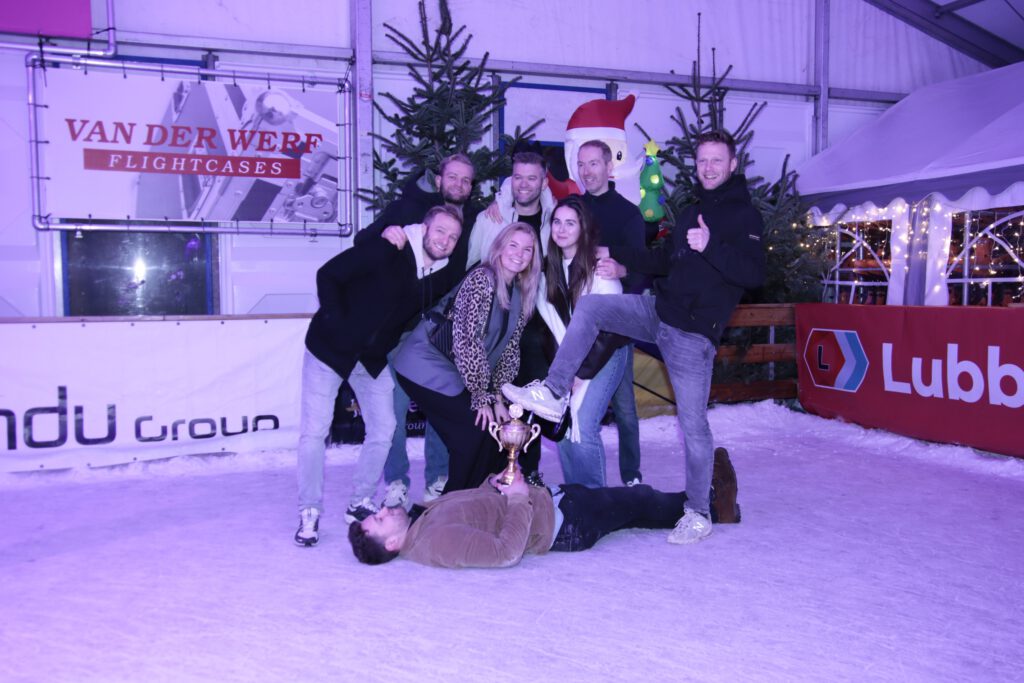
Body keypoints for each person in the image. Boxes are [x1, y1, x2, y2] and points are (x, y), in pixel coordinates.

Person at [502, 130, 765, 545]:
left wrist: (711, 246)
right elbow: (664, 259)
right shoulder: (692, 211)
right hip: (657, 310)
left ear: (732, 165)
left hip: (692, 334)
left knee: (693, 425)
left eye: (717, 160)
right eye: (702, 160)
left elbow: (755, 274)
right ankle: (553, 391)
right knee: (594, 308)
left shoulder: (744, 217)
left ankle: (698, 511)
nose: (708, 168)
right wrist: (617, 258)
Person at [295, 204, 464, 547]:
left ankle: (359, 500)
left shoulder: (440, 275)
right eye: (440, 231)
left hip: (370, 360)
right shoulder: (389, 248)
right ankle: (309, 509)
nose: (445, 240)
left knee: (385, 427)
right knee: (315, 431)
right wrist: (337, 323)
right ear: (424, 228)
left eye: (453, 237)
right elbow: (328, 274)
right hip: (329, 349)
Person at [347, 448, 740, 568]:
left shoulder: (424, 520)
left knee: (639, 510)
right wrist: (518, 498)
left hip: (552, 504)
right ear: (392, 543)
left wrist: (496, 484)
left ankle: (708, 504)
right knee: (640, 500)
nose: (384, 510)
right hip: (563, 523)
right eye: (380, 520)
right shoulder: (436, 542)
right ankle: (711, 502)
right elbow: (504, 553)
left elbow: (480, 508)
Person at [356, 153, 478, 509]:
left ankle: (438, 476)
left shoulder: (474, 221)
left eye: (466, 180)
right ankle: (396, 481)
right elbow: (362, 243)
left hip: (437, 333)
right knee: (393, 411)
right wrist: (386, 234)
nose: (458, 184)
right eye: (452, 177)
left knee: (439, 405)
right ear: (439, 180)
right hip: (395, 332)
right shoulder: (409, 208)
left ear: (471, 187)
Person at [392, 222, 541, 494]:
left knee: (492, 432)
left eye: (527, 250)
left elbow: (509, 352)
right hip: (423, 363)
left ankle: (481, 499)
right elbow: (466, 340)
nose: (519, 254)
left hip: (455, 369)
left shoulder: (521, 294)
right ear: (499, 247)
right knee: (472, 431)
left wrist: (498, 398)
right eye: (513, 245)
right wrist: (481, 397)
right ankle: (454, 506)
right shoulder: (482, 279)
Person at [469, 150, 556, 485]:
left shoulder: (553, 221)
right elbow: (471, 265)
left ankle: (528, 470)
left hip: (534, 325)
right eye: (517, 177)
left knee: (530, 395)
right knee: (493, 392)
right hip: (494, 323)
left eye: (532, 178)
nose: (523, 184)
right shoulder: (491, 219)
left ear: (543, 182)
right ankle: (491, 471)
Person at [536, 195, 628, 487]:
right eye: (557, 222)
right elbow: (549, 326)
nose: (562, 229)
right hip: (569, 357)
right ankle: (576, 495)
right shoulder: (548, 269)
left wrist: (580, 373)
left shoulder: (599, 268)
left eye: (570, 223)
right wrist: (563, 371)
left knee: (583, 422)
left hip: (606, 352)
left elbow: (611, 330)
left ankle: (596, 501)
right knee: (561, 422)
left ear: (583, 228)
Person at [576, 140, 646, 487]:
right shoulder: (572, 209)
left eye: (593, 163)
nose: (586, 171)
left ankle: (631, 475)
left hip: (615, 326)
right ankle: (581, 471)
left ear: (608, 166)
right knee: (575, 400)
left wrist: (623, 271)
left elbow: (643, 269)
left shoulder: (628, 214)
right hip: (575, 322)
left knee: (625, 407)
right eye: (581, 164)